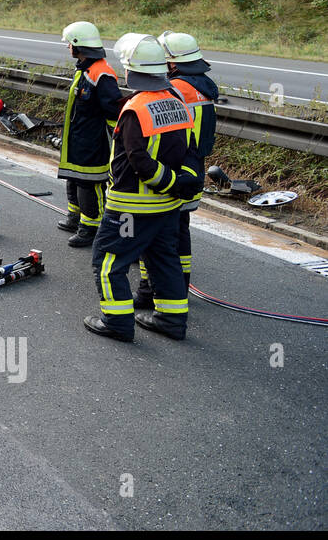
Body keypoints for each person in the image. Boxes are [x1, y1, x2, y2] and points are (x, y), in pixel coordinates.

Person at [84, 34, 201, 342]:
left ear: (131, 71)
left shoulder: (136, 108)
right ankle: (172, 321)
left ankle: (118, 324)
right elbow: (189, 149)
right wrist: (177, 185)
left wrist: (168, 182)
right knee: (164, 260)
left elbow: (138, 159)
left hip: (131, 209)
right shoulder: (177, 101)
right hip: (167, 208)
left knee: (108, 262)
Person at [135, 31, 219, 318]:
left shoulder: (175, 89)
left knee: (155, 235)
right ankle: (179, 287)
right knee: (180, 232)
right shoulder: (202, 87)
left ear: (171, 64)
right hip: (193, 171)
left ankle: (149, 291)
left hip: (170, 173)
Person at [56, 22, 124, 247]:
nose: (67, 47)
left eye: (69, 43)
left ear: (78, 46)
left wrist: (117, 142)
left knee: (88, 184)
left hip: (93, 142)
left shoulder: (101, 73)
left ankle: (91, 228)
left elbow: (114, 110)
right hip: (78, 139)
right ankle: (75, 217)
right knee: (74, 178)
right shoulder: (85, 69)